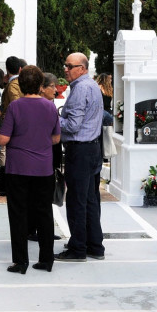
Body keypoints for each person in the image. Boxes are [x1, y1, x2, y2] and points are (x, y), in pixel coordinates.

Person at [0, 66, 61, 274]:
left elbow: (3, 139)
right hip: (43, 168)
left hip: (18, 168)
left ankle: (21, 262)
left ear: (21, 84)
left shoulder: (16, 107)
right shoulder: (51, 107)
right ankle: (46, 259)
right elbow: (56, 138)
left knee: (18, 214)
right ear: (41, 85)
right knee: (44, 213)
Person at [55, 52, 105, 262]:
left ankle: (78, 248)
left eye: (70, 66)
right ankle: (94, 245)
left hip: (81, 149)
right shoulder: (91, 85)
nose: (65, 69)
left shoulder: (81, 88)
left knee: (77, 200)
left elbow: (73, 125)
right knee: (91, 199)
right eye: (65, 65)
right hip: (92, 148)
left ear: (82, 69)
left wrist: (53, 121)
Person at [27, 73, 62, 242]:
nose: (56, 90)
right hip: (41, 155)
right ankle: (34, 229)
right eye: (52, 86)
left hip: (50, 153)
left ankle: (42, 229)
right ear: (42, 88)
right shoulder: (41, 106)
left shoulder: (50, 104)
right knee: (38, 196)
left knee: (45, 196)